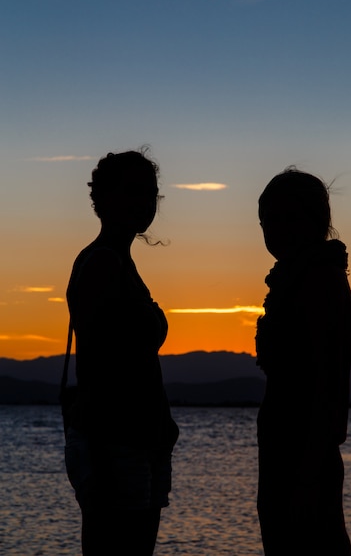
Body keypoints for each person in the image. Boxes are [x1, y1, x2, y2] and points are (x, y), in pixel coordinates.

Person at [63, 147, 179, 555]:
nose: (142, 203)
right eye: (131, 191)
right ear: (103, 198)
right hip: (114, 443)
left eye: (149, 194)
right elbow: (104, 367)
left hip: (136, 441)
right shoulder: (102, 264)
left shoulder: (120, 262)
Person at [255, 167, 351, 555]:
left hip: (304, 458)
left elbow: (327, 385)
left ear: (317, 221)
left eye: (290, 218)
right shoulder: (293, 279)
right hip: (284, 450)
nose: (278, 229)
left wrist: (308, 478)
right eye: (269, 220)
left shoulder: (320, 281)